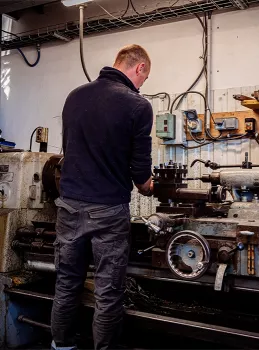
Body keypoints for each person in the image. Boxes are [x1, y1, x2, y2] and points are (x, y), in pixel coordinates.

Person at [51, 44, 153, 350]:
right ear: (139, 68)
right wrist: (150, 186)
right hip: (108, 211)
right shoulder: (137, 105)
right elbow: (141, 173)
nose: (143, 85)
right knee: (107, 292)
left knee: (67, 284)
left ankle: (61, 346)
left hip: (68, 205)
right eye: (144, 78)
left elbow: (70, 152)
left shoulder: (74, 96)